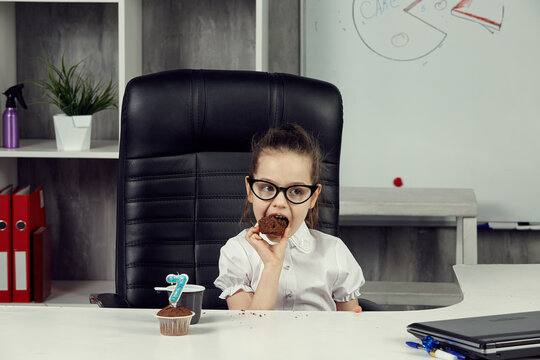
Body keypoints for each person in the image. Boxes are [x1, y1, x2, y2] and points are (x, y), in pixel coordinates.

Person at [214, 123, 364, 311]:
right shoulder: (237, 252)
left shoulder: (335, 252)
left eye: (296, 191)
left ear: (313, 197)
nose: (280, 202)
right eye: (267, 188)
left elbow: (349, 327)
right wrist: (272, 265)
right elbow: (250, 330)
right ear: (250, 190)